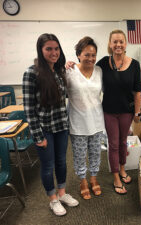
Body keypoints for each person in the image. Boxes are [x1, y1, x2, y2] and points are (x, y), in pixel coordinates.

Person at [22, 33, 79, 216]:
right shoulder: (32, 73)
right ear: (41, 50)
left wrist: (69, 65)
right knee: (47, 166)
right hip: (44, 130)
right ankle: (52, 199)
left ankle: (62, 194)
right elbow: (29, 109)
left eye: (56, 48)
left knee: (61, 162)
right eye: (49, 49)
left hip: (61, 127)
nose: (53, 52)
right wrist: (38, 137)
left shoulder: (59, 71)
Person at [96, 30, 141, 195]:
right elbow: (86, 71)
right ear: (110, 44)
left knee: (123, 142)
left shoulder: (135, 64)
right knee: (113, 144)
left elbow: (137, 92)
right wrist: (71, 64)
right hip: (109, 111)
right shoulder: (102, 63)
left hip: (126, 111)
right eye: (115, 42)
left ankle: (122, 169)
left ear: (126, 44)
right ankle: (116, 176)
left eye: (121, 41)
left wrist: (137, 113)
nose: (118, 45)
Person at [65, 37, 106, 200]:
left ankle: (94, 178)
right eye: (87, 54)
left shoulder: (99, 71)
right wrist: (64, 64)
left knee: (96, 153)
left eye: (93, 55)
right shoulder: (69, 71)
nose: (90, 58)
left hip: (96, 120)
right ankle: (82, 181)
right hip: (78, 122)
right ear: (79, 54)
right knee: (80, 155)